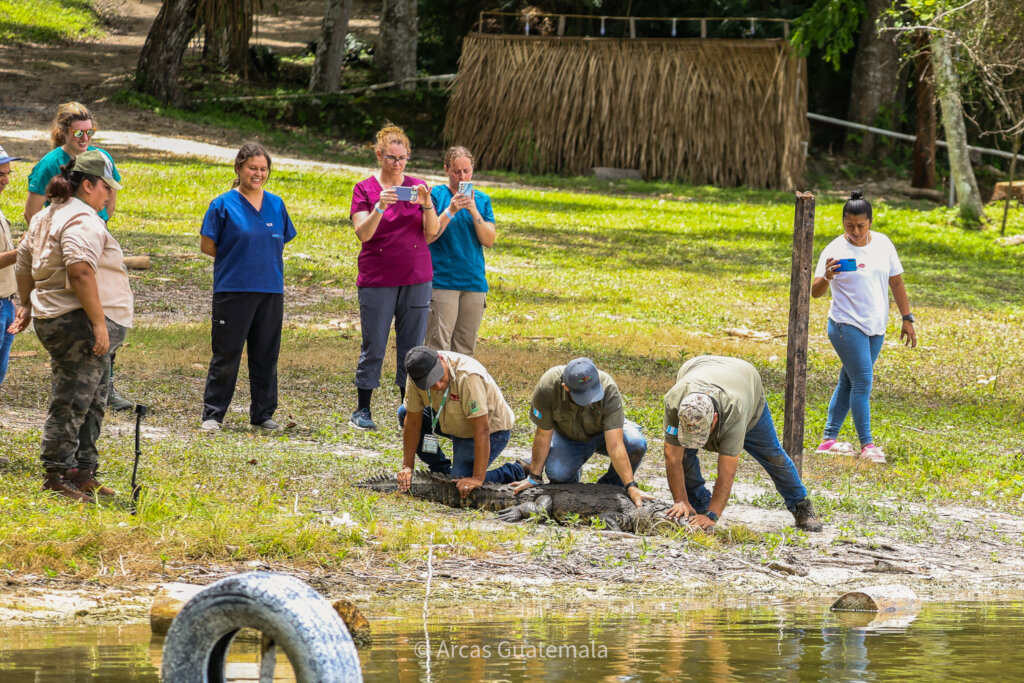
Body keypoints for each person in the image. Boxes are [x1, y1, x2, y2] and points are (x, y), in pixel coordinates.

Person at [10, 151, 132, 501]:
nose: (109, 194)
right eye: (105, 187)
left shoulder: (49, 215)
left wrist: (28, 303)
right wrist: (99, 324)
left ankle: (82, 470)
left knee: (94, 398)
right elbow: (80, 270)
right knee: (73, 399)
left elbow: (23, 263)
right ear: (88, 185)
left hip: (62, 318)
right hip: (78, 322)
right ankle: (57, 475)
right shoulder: (82, 220)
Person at [24, 102, 132, 411]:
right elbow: (32, 212)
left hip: (93, 246)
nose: (84, 138)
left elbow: (110, 203)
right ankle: (73, 386)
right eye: (78, 133)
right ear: (63, 133)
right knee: (78, 320)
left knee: (107, 314)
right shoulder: (50, 163)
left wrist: (96, 228)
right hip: (64, 251)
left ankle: (105, 389)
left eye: (89, 132)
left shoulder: (102, 159)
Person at [811, 190, 917, 464]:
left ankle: (828, 440)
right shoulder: (835, 249)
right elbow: (815, 292)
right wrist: (827, 275)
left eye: (861, 225)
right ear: (843, 222)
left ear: (870, 221)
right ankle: (867, 445)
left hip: (876, 327)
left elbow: (896, 283)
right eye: (849, 226)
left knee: (848, 380)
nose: (855, 231)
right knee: (862, 382)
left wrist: (907, 318)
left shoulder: (883, 244)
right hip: (846, 325)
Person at [662, 355, 822, 532]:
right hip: (699, 366)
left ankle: (801, 506)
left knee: (772, 455)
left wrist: (712, 516)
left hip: (745, 381)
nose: (701, 440)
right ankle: (697, 502)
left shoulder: (735, 410)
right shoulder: (675, 402)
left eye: (703, 434)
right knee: (684, 454)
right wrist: (680, 501)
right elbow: (672, 456)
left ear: (714, 418)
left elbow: (726, 473)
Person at [199, 143, 296, 433]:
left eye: (263, 168)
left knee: (266, 354)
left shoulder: (276, 204)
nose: (258, 173)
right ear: (239, 168)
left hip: (270, 290)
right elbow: (208, 245)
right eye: (252, 167)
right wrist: (238, 259)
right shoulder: (222, 204)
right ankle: (213, 415)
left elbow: (280, 239)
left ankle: (263, 414)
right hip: (234, 289)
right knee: (227, 353)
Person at [349, 123, 440, 431]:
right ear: (379, 155)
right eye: (391, 158)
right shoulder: (365, 189)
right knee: (374, 343)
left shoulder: (419, 186)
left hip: (416, 276)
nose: (398, 164)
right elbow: (363, 234)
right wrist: (379, 207)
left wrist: (427, 204)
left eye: (403, 158)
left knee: (412, 347)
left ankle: (409, 410)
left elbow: (432, 232)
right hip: (377, 277)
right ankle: (363, 409)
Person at [510, 358, 648, 508]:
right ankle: (572, 472)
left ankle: (611, 487)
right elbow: (543, 434)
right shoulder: (548, 386)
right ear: (566, 387)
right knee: (558, 474)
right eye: (583, 396)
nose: (589, 400)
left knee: (636, 443)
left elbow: (615, 444)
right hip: (568, 437)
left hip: (605, 432)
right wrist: (534, 477)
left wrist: (631, 485)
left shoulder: (608, 387)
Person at [396, 346, 525, 498]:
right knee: (404, 411)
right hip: (451, 420)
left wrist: (477, 478)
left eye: (437, 377)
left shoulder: (469, 376)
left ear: (442, 359)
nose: (437, 386)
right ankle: (441, 470)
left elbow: (481, 429)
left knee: (460, 484)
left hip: (490, 430)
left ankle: (518, 470)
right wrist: (407, 467)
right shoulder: (416, 376)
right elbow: (412, 421)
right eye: (429, 383)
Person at [424, 146, 496, 355]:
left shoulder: (482, 200)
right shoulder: (436, 195)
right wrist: (451, 210)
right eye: (457, 171)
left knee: (465, 351)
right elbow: (429, 235)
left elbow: (489, 240)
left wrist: (473, 210)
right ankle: (435, 388)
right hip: (443, 281)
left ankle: (460, 389)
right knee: (438, 349)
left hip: (474, 282)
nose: (462, 176)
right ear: (446, 169)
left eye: (467, 171)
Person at [0, 143, 23, 386]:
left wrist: (10, 297)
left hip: (5, 304)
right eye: (0, 174)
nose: (6, 181)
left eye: (8, 174)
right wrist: (23, 251)